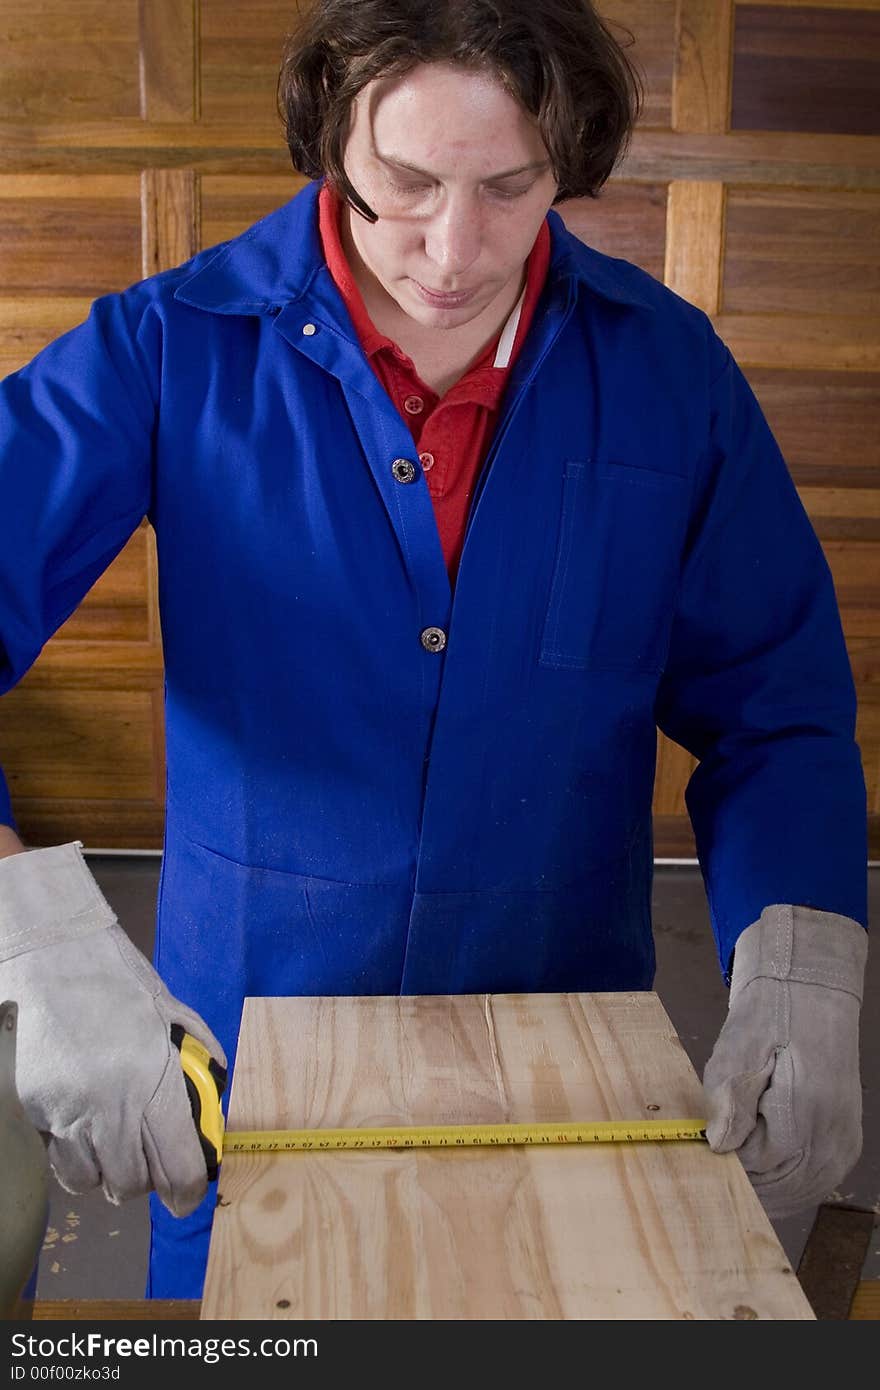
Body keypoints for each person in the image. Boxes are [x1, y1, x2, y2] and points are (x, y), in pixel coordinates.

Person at [0, 0, 869, 1302]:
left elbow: (776, 711)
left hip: (570, 1056)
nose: (453, 252)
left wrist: (805, 948)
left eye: (508, 189)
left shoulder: (670, 374)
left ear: (562, 164)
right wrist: (32, 937)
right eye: (404, 186)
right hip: (243, 1066)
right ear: (329, 143)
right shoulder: (165, 348)